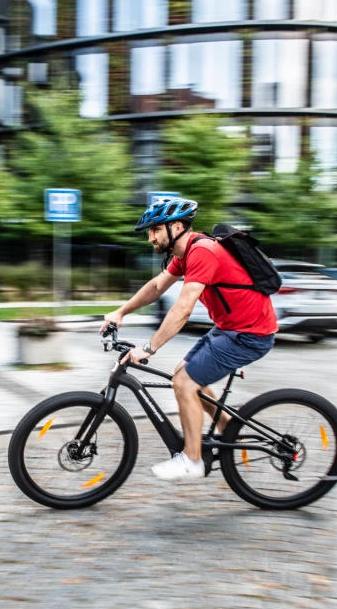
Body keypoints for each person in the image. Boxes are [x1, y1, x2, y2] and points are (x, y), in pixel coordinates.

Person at [101, 198, 277, 480]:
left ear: (176, 227)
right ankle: (231, 432)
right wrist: (121, 311)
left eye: (154, 230)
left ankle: (192, 460)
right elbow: (157, 286)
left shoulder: (203, 252)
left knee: (184, 383)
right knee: (182, 376)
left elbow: (183, 308)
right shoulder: (185, 254)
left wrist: (149, 348)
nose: (150, 237)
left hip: (249, 334)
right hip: (229, 328)